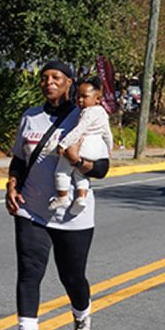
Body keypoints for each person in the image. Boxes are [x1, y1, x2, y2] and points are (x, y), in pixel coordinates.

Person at [5, 61, 110, 330]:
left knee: (72, 276)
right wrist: (12, 185)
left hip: (73, 216)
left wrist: (79, 162)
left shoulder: (88, 115)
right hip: (32, 209)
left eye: (56, 78)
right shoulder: (30, 117)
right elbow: (18, 159)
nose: (48, 82)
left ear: (69, 84)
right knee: (29, 272)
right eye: (45, 78)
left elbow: (103, 168)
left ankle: (82, 318)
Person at [48, 78, 113, 222]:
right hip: (96, 148)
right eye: (78, 96)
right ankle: (81, 197)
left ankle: (62, 196)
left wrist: (63, 144)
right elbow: (107, 133)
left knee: (62, 171)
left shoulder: (87, 113)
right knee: (80, 174)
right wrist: (109, 148)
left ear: (97, 99)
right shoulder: (102, 113)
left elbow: (79, 130)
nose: (80, 100)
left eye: (84, 97)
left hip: (83, 145)